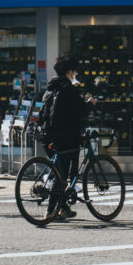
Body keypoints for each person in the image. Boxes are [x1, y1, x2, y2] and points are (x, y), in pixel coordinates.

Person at [41, 54, 97, 220]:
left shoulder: (51, 88)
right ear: (69, 72)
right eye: (73, 71)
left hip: (48, 136)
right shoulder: (69, 89)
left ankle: (63, 208)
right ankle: (51, 212)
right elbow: (81, 111)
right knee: (61, 175)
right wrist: (90, 103)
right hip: (65, 137)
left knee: (61, 173)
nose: (74, 74)